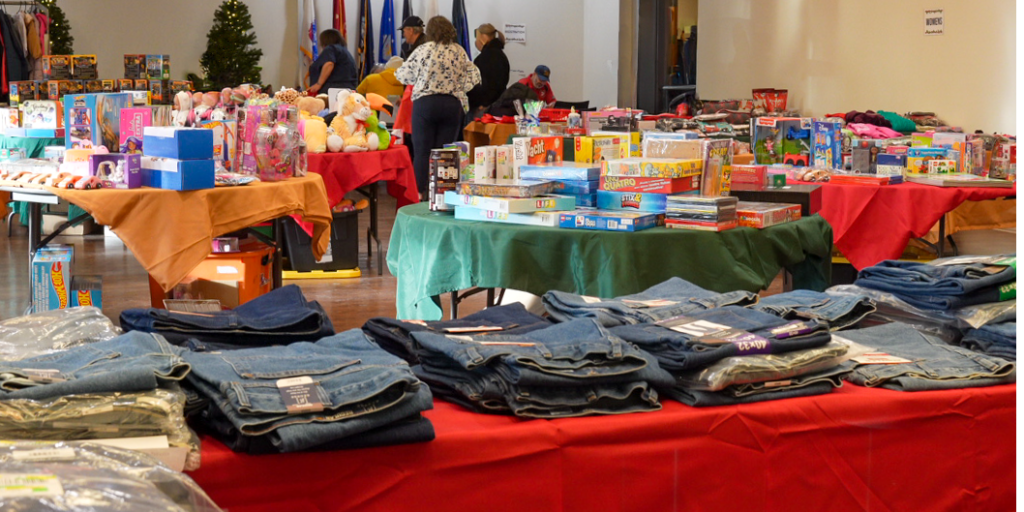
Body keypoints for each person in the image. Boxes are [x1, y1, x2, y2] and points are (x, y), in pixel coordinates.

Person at [395, 16, 481, 197]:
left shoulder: (423, 50)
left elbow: (403, 75)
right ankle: (441, 195)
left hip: (426, 103)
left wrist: (421, 80)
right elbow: (474, 75)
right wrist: (459, 88)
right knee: (443, 152)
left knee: (422, 152)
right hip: (451, 104)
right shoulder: (459, 50)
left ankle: (419, 193)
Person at [467, 24, 510, 117]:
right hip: (499, 104)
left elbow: (485, 84)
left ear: (483, 37)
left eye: (477, 38)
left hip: (483, 107)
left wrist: (484, 104)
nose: (476, 42)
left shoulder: (483, 58)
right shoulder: (502, 56)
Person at [308, 29, 358, 95]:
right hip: (347, 90)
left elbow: (329, 64)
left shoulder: (330, 49)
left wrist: (318, 84)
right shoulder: (344, 52)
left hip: (332, 91)